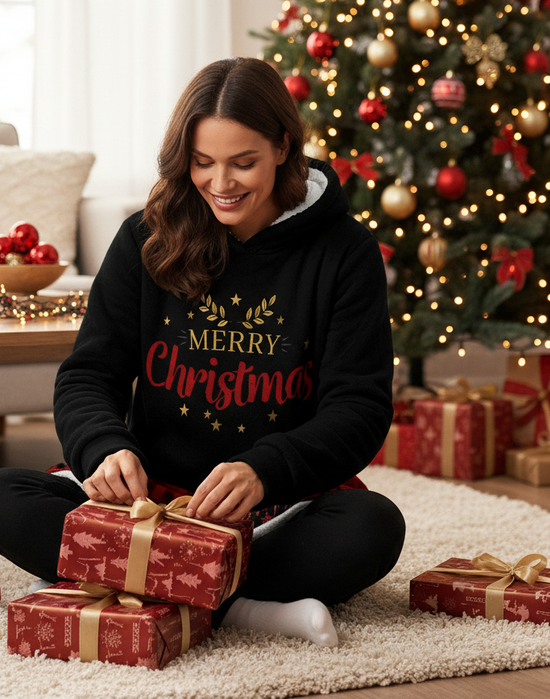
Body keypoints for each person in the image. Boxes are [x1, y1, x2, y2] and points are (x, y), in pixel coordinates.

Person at [0, 57, 405, 647]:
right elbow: (89, 374)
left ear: (284, 146)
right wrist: (104, 449)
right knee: (5, 496)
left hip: (273, 509)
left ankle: (133, 581)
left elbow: (360, 408)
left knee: (372, 529)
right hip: (149, 504)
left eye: (244, 163)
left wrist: (266, 469)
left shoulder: (345, 252)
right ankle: (242, 606)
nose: (221, 184)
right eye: (203, 163)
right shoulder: (146, 236)